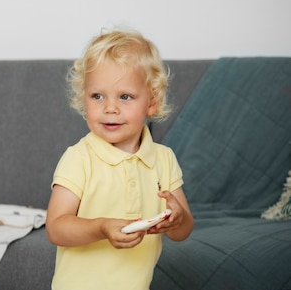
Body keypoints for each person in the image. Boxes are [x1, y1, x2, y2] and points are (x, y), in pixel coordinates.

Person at [46, 28, 194, 290]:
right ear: (84, 99)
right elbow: (56, 228)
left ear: (152, 103)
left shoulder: (164, 159)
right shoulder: (79, 158)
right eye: (97, 96)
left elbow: (182, 232)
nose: (110, 108)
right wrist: (101, 228)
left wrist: (177, 218)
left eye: (125, 96)